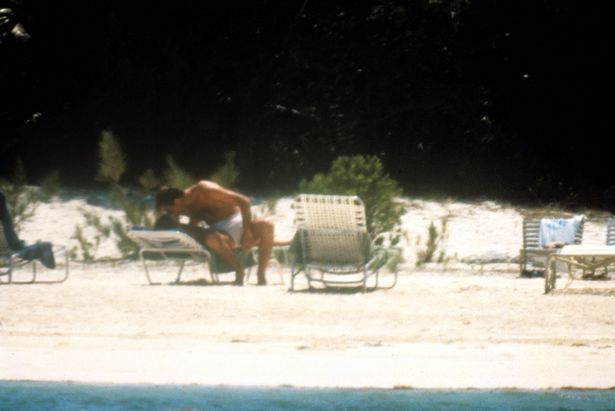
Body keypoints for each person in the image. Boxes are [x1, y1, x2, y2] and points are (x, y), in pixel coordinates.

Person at [155, 181, 274, 285]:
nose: (171, 214)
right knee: (211, 238)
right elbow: (195, 227)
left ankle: (261, 274)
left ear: (176, 202)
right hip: (221, 232)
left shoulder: (205, 190)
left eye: (169, 210)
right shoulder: (184, 209)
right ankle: (239, 270)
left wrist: (247, 233)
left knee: (267, 226)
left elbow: (244, 202)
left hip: (239, 220)